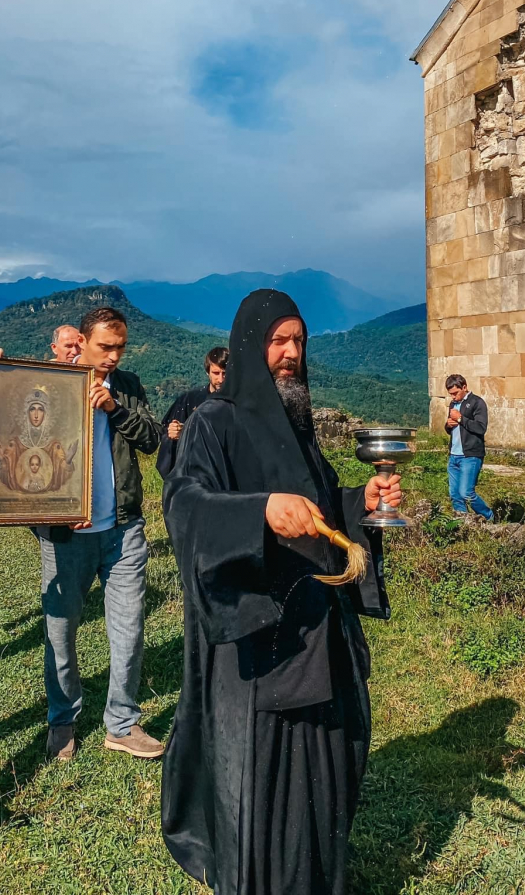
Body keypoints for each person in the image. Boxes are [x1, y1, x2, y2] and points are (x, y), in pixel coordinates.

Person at [161, 289, 402, 895]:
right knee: (270, 787)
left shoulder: (297, 424)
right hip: (260, 644)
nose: (291, 353)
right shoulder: (214, 424)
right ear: (250, 345)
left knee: (328, 769)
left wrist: (358, 505)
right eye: (278, 341)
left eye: (299, 341)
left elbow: (321, 510)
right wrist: (260, 512)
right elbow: (185, 507)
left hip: (320, 633)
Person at [37, 305, 164, 763]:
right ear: (82, 342)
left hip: (124, 528)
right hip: (66, 535)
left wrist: (113, 409)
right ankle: (62, 720)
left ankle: (122, 723)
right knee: (61, 630)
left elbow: (151, 439)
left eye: (120, 347)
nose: (113, 356)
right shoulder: (49, 384)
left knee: (129, 629)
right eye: (105, 347)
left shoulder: (126, 388)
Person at [155, 346, 229, 478]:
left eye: (225, 373)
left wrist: (187, 431)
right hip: (194, 475)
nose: (221, 379)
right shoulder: (189, 400)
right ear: (208, 372)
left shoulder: (238, 402)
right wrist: (173, 434)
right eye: (216, 373)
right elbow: (165, 431)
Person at [444, 373, 493, 521]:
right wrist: (448, 425)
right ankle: (463, 522)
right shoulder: (453, 405)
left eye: (455, 393)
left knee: (466, 493)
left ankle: (489, 516)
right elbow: (451, 429)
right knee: (455, 494)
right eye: (450, 394)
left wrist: (460, 418)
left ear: (464, 387)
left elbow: (480, 428)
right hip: (454, 455)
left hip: (470, 455)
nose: (453, 397)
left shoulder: (477, 403)